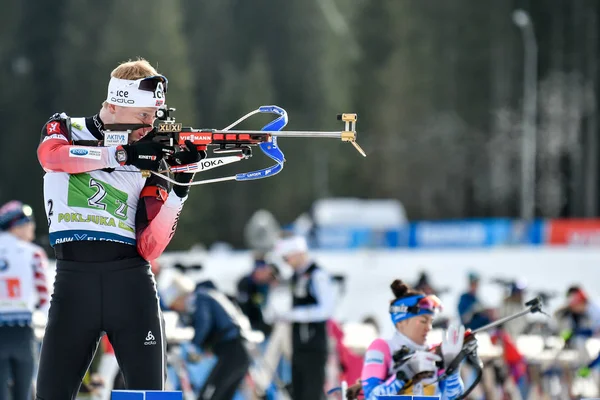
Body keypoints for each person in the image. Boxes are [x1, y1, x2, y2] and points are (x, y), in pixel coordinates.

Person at [36, 58, 205, 400]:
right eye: (144, 115)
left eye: (155, 115)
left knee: (148, 397)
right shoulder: (66, 128)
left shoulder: (150, 155)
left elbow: (150, 247)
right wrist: (122, 154)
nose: (150, 124)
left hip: (130, 285)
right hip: (73, 283)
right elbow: (52, 157)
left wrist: (179, 192)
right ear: (115, 105)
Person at [360, 280, 473, 399]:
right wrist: (406, 372)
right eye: (423, 321)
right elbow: (371, 396)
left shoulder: (435, 351)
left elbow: (453, 397)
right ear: (402, 322)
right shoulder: (382, 347)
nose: (428, 327)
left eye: (431, 322)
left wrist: (452, 369)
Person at [160, 270, 252, 400]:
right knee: (222, 395)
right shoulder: (205, 296)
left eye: (175, 305)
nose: (177, 309)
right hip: (237, 351)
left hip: (233, 351)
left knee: (208, 395)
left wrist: (195, 346)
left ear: (180, 298)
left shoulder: (200, 298)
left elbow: (204, 323)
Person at [271, 234, 335, 400]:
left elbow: (326, 309)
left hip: (313, 345)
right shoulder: (294, 276)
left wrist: (296, 315)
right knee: (298, 392)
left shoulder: (317, 275)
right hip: (298, 345)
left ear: (298, 253)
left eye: (287, 258)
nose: (286, 262)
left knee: (312, 392)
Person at [0, 201, 49, 400]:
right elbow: (45, 296)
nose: (33, 228)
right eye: (29, 223)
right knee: (24, 392)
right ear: (17, 224)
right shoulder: (33, 253)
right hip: (23, 330)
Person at [236, 253, 279, 338]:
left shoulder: (267, 281)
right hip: (253, 322)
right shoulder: (246, 283)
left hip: (268, 320)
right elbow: (245, 305)